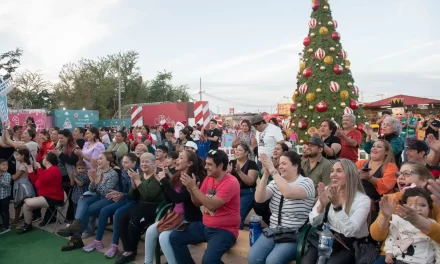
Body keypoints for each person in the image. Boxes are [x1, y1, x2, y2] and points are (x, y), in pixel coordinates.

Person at [170, 150, 240, 264]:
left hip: (224, 230)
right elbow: (197, 203)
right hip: (206, 226)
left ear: (221, 166)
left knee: (209, 261)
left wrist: (193, 188)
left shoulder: (231, 182)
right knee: (175, 237)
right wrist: (191, 191)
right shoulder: (209, 178)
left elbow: (212, 206)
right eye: (206, 163)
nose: (206, 167)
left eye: (210, 164)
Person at [248, 151, 315, 264]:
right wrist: (265, 174)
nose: (280, 167)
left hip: (294, 233)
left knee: (272, 261)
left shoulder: (306, 182)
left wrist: (273, 171)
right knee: (253, 257)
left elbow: (288, 193)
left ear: (295, 166)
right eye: (279, 164)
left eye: (284, 163)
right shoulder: (275, 182)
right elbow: (259, 199)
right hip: (274, 230)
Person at [301, 159, 371, 264]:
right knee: (306, 262)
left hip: (350, 244)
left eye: (339, 171)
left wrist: (337, 206)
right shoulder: (328, 190)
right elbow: (314, 222)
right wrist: (321, 205)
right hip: (328, 238)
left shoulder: (362, 200)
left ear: (350, 174)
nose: (333, 174)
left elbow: (349, 231)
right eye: (332, 171)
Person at [371, 162, 440, 264]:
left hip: (424, 258)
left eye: (406, 174)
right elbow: (377, 236)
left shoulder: (435, 201)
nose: (400, 178)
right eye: (399, 174)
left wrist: (419, 221)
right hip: (392, 255)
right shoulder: (392, 199)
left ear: (423, 180)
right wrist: (385, 217)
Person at [144, 150, 203, 264]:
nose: (176, 160)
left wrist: (164, 182)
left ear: (189, 163)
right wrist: (162, 184)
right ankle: (147, 262)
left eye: (181, 158)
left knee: (164, 237)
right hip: (174, 216)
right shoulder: (176, 177)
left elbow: (179, 198)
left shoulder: (193, 179)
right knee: (151, 231)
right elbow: (170, 200)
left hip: (187, 219)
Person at [57, 152, 119, 250]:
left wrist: (97, 180)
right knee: (82, 200)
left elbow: (106, 193)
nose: (98, 160)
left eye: (101, 159)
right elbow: (91, 189)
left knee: (87, 209)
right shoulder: (98, 171)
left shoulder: (113, 174)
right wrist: (93, 181)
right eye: (98, 158)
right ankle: (76, 226)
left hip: (109, 198)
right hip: (98, 195)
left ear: (108, 161)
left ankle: (76, 237)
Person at [82, 153, 138, 258]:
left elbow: (135, 195)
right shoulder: (123, 172)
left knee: (117, 213)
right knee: (104, 211)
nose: (123, 164)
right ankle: (97, 241)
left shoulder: (136, 174)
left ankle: (114, 246)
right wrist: (117, 193)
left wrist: (121, 194)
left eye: (126, 162)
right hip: (123, 198)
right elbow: (121, 189)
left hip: (133, 201)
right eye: (122, 162)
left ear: (134, 163)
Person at [115, 153, 164, 264]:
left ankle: (132, 251)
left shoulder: (157, 175)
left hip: (154, 207)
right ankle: (128, 249)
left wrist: (137, 180)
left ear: (154, 163)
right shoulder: (141, 175)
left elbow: (149, 195)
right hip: (141, 205)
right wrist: (133, 185)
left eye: (147, 161)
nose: (143, 164)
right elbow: (133, 196)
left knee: (133, 222)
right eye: (142, 161)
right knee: (122, 218)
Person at [384, 187, 440, 264]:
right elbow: (392, 237)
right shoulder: (399, 220)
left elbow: (437, 246)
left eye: (423, 205)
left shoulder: (431, 224)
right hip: (401, 260)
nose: (418, 208)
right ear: (404, 207)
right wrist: (389, 252)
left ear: (429, 208)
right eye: (411, 205)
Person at [16, 152, 66, 234]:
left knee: (28, 202)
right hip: (46, 196)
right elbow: (36, 183)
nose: (42, 159)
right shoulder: (46, 170)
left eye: (44, 158)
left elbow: (41, 180)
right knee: (26, 205)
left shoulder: (54, 169)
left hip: (54, 198)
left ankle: (23, 200)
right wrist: (31, 172)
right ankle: (28, 225)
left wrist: (38, 168)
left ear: (48, 161)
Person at [356, 140, 398, 205]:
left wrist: (369, 178)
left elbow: (386, 186)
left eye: (379, 147)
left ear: (386, 152)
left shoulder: (391, 167)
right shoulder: (361, 163)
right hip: (359, 202)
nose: (374, 148)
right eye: (373, 146)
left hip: (381, 205)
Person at [228, 143, 258, 229]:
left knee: (238, 215)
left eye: (240, 150)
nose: (237, 151)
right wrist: (228, 174)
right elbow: (227, 181)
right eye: (236, 149)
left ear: (246, 153)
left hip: (248, 192)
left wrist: (239, 172)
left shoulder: (251, 164)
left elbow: (250, 182)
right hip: (233, 192)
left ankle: (236, 234)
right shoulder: (232, 163)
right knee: (229, 214)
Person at [11, 149, 35, 226]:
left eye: (17, 155)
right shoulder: (25, 164)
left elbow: (15, 177)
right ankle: (23, 218)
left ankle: (17, 219)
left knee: (18, 203)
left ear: (23, 155)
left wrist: (11, 176)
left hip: (22, 186)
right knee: (24, 202)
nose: (16, 156)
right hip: (24, 185)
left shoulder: (23, 166)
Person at [0, 159, 11, 234]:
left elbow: (7, 185)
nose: (5, 166)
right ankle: (3, 223)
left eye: (6, 165)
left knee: (5, 211)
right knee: (1, 211)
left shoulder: (7, 175)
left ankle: (6, 226)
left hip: (5, 197)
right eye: (3, 164)